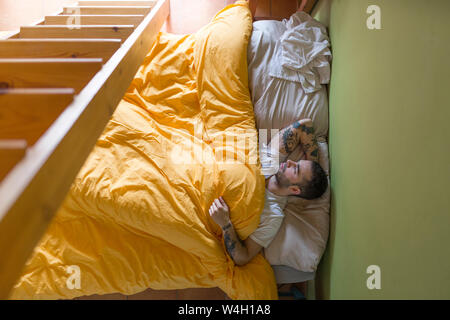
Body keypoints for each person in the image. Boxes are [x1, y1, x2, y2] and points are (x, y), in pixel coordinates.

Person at [208, 118, 328, 266]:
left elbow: (243, 257)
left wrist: (225, 224)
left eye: (295, 169)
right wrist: (312, 165)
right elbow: (305, 125)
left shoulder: (273, 216)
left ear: (295, 189)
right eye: (296, 162)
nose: (290, 162)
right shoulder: (272, 159)